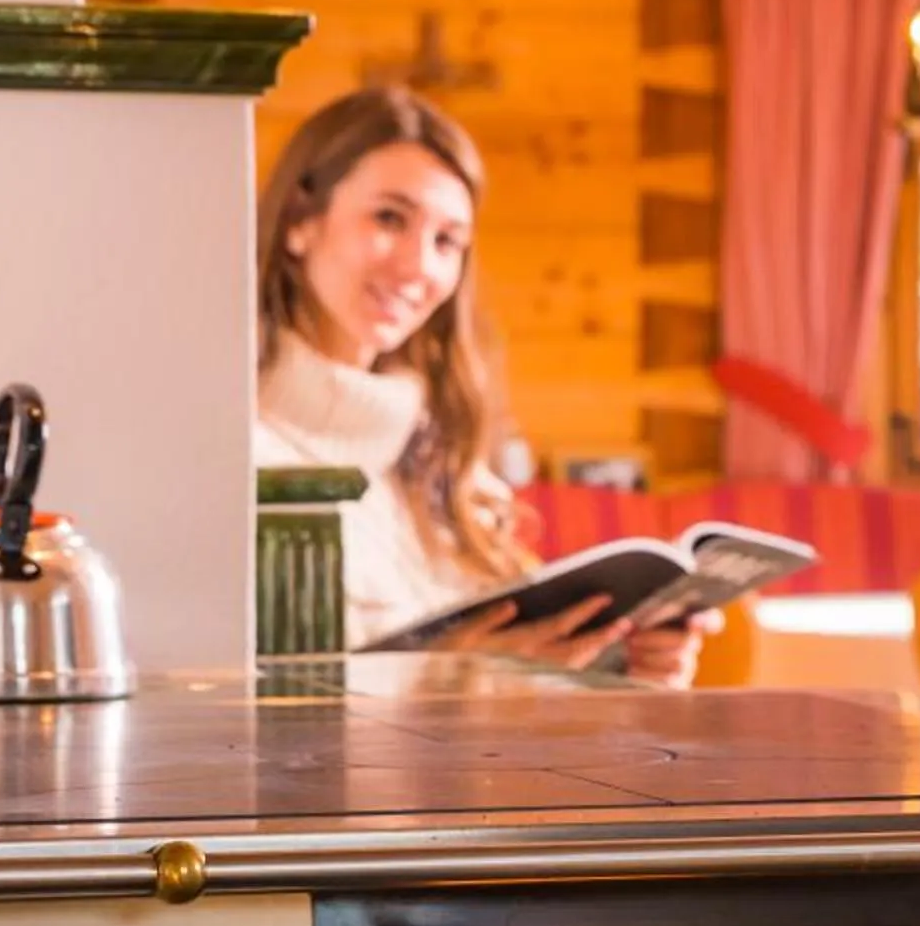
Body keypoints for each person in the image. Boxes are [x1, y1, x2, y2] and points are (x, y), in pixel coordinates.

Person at [253, 87, 712, 684]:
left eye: (447, 241)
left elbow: (511, 702)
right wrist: (450, 678)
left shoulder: (445, 466)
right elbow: (249, 720)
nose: (420, 267)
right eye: (389, 218)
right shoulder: (240, 453)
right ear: (298, 222)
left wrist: (622, 669)